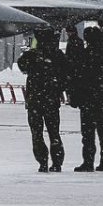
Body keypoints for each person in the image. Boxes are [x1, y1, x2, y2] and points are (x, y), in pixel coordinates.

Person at [65, 26, 103, 172]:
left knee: (88, 133)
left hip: (87, 99)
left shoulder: (84, 55)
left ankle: (88, 161)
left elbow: (77, 77)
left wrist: (74, 96)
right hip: (100, 99)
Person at [17, 29, 65, 172]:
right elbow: (66, 73)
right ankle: (57, 162)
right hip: (51, 99)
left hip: (35, 99)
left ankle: (42, 161)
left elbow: (22, 66)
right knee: (54, 132)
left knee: (37, 133)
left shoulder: (31, 55)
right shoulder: (57, 55)